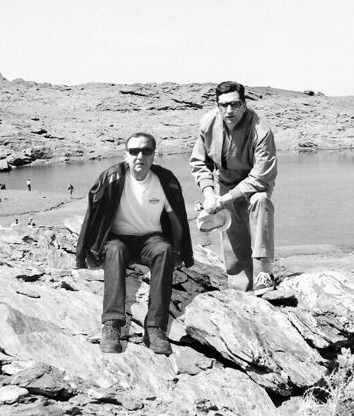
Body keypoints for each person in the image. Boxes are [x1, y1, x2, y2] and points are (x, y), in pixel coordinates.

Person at [77, 132, 193, 355]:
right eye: (134, 151)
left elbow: (177, 218)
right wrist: (87, 252)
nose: (140, 156)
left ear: (153, 155)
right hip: (118, 238)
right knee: (115, 251)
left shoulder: (165, 180)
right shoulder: (111, 177)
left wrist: (181, 252)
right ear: (125, 155)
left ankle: (155, 327)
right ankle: (112, 324)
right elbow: (93, 215)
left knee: (164, 250)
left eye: (146, 151)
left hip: (150, 239)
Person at [190, 81, 277, 295]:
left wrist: (224, 199)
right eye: (223, 105)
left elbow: (261, 175)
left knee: (261, 203)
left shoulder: (261, 130)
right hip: (224, 183)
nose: (229, 110)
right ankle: (241, 287)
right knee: (233, 241)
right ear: (217, 105)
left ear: (244, 104)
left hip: (254, 186)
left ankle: (264, 273)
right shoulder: (208, 124)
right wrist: (210, 195)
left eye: (235, 104)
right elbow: (199, 163)